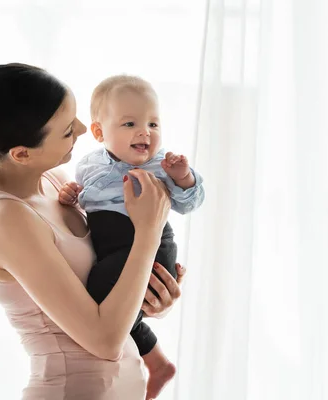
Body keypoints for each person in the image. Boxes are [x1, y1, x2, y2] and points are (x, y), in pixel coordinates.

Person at [0, 63, 186, 400]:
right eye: (68, 130)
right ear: (22, 153)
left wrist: (154, 300)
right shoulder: (5, 220)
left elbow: (113, 287)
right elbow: (104, 340)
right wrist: (149, 233)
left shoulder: (52, 181)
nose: (85, 129)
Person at [58, 75, 204, 398]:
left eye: (153, 123)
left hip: (151, 248)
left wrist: (183, 177)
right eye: (130, 124)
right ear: (99, 132)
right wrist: (72, 194)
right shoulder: (87, 166)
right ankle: (158, 363)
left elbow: (190, 201)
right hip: (113, 248)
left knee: (100, 296)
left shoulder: (161, 165)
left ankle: (156, 362)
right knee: (108, 301)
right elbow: (87, 200)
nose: (145, 132)